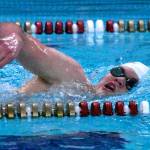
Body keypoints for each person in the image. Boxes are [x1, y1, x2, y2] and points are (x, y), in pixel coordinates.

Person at [0, 23, 149, 97]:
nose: (120, 80)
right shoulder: (73, 76)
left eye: (130, 82)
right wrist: (13, 36)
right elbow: (23, 39)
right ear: (107, 72)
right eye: (119, 71)